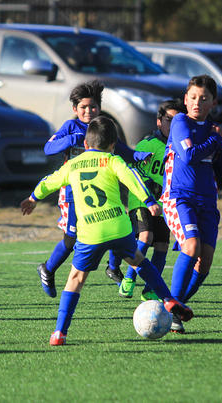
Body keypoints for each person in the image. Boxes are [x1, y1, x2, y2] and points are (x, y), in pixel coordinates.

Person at [21, 116, 193, 346]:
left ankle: (59, 333)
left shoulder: (72, 165)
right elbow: (133, 177)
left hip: (90, 232)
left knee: (75, 279)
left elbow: (48, 181)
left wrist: (33, 198)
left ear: (85, 145)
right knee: (139, 261)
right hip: (118, 227)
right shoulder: (113, 161)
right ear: (113, 145)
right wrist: (149, 200)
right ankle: (168, 299)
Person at [37, 80, 151, 298]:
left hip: (102, 191)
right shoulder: (71, 127)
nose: (88, 111)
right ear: (75, 109)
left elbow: (121, 149)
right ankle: (48, 269)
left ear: (99, 107)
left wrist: (137, 156)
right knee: (71, 239)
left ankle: (113, 267)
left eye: (93, 107)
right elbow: (48, 148)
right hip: (73, 194)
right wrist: (71, 139)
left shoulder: (103, 128)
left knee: (116, 226)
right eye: (83, 107)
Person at [161, 75, 222, 333]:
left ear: (212, 103)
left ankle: (177, 306)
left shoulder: (214, 130)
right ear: (185, 99)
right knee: (191, 245)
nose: (196, 102)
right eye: (192, 97)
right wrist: (216, 141)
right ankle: (171, 306)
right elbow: (189, 155)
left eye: (203, 99)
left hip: (207, 200)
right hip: (179, 197)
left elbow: (218, 169)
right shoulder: (181, 122)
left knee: (204, 262)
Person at [115, 99, 184, 299]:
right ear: (159, 122)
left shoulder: (180, 147)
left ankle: (150, 287)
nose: (172, 124)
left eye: (177, 120)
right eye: (168, 119)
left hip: (164, 204)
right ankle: (129, 278)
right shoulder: (148, 145)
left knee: (162, 246)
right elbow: (135, 173)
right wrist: (147, 194)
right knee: (145, 237)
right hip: (142, 201)